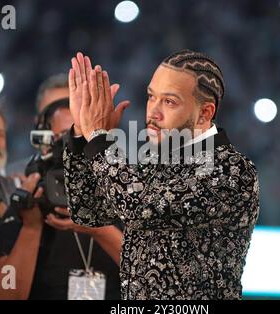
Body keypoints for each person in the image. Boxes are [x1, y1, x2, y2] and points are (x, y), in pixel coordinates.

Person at [64, 50, 260, 299]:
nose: (152, 112)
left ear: (205, 113)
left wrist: (99, 138)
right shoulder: (154, 161)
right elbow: (88, 212)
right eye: (151, 97)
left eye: (169, 101)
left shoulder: (231, 169)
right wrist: (82, 134)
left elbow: (137, 209)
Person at [0, 99, 122, 300]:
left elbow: (154, 277)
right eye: (61, 138)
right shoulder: (31, 205)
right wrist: (31, 228)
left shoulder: (123, 195)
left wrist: (98, 229)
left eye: (81, 136)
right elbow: (4, 294)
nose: (71, 148)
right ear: (45, 146)